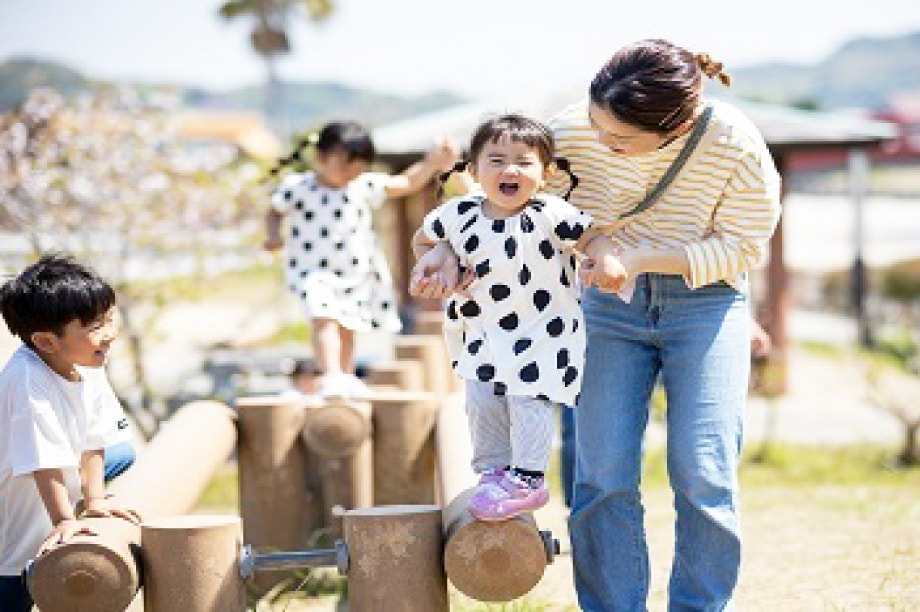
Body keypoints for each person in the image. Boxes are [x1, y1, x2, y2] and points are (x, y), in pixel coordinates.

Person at [415, 40, 782, 610]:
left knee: (703, 473)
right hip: (605, 310)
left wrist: (637, 260)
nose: (602, 142)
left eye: (622, 141)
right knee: (602, 474)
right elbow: (510, 208)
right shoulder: (570, 132)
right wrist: (446, 252)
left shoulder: (733, 142)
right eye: (597, 124)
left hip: (706, 304)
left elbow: (742, 243)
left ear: (677, 126)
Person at [410, 114, 623, 521]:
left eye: (524, 162)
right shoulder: (459, 213)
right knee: (480, 399)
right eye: (496, 160)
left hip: (544, 330)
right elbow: (424, 239)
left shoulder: (551, 213)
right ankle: (492, 471)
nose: (510, 170)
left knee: (530, 400)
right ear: (473, 171)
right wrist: (439, 257)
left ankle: (528, 478)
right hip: (481, 329)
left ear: (545, 174)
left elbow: (593, 236)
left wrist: (606, 259)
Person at [265, 120, 458, 398]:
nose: (349, 175)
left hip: (354, 271)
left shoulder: (362, 185)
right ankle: (330, 374)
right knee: (324, 319)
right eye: (343, 167)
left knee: (347, 326)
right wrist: (273, 236)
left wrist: (431, 163)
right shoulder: (298, 186)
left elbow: (405, 183)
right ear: (320, 158)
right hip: (312, 270)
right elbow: (274, 210)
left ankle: (344, 375)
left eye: (357, 170)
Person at [0, 255, 141, 612]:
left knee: (122, 451)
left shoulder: (86, 362)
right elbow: (42, 461)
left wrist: (95, 501)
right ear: (47, 342)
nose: (109, 333)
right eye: (95, 326)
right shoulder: (27, 381)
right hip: (15, 508)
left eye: (110, 319)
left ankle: (76, 499)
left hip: (50, 479)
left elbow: (95, 438)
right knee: (14, 588)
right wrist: (64, 521)